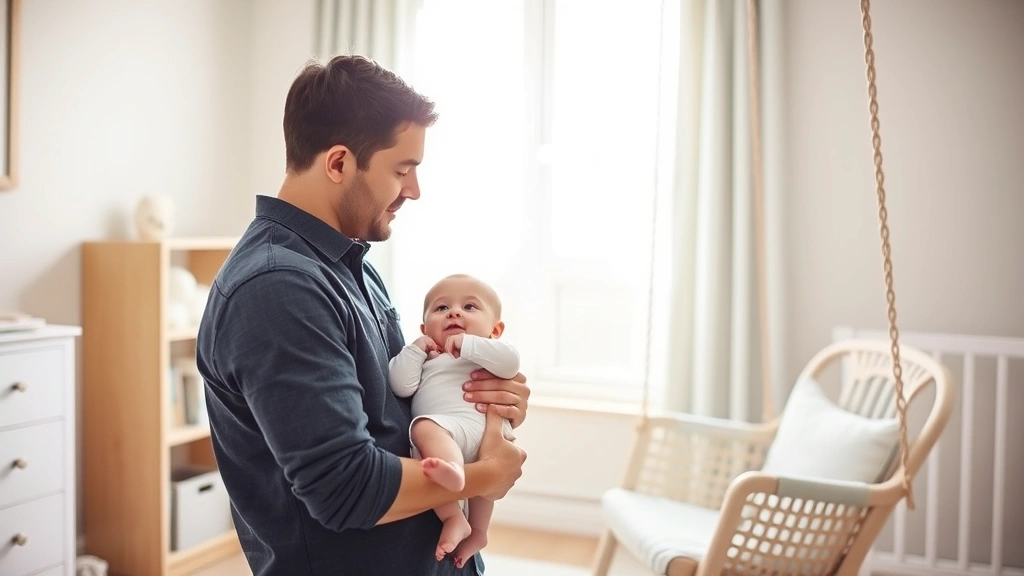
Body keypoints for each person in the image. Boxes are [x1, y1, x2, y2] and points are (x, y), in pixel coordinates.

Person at [195, 54, 529, 576]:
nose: (414, 191)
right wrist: (487, 475)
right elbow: (347, 489)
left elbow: (391, 413)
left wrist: (483, 399)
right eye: (402, 170)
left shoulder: (349, 265)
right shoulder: (278, 288)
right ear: (338, 163)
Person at [388, 274, 519, 568]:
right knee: (424, 448)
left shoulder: (486, 353)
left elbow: (511, 363)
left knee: (423, 428)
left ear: (495, 329)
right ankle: (457, 519)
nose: (454, 312)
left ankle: (477, 521)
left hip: (484, 431)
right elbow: (400, 386)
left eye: (470, 307)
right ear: (425, 328)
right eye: (441, 308)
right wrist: (416, 349)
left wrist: (469, 345)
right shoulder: (428, 358)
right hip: (448, 433)